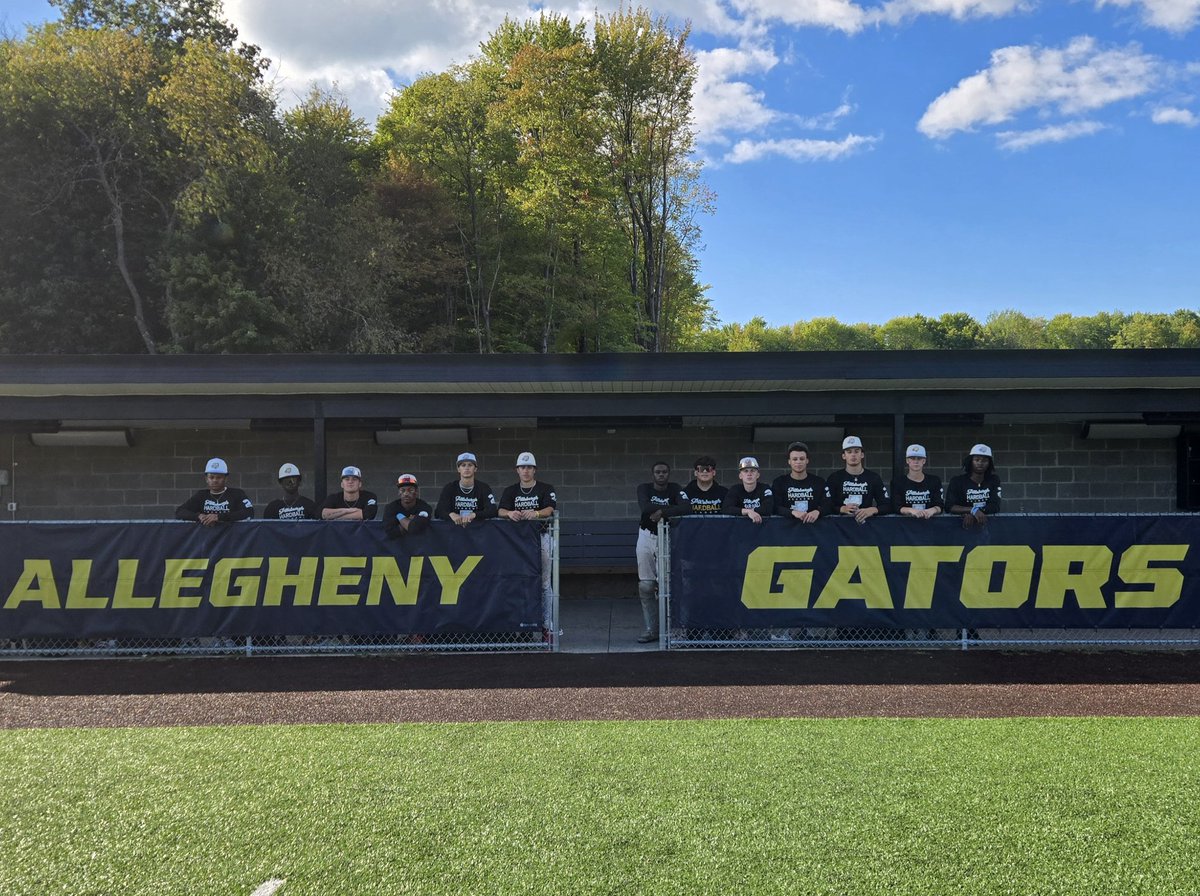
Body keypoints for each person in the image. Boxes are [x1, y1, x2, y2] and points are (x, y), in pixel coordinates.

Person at [498, 451, 558, 635]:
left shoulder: (545, 488)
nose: (526, 470)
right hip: (516, 542)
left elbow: (550, 509)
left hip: (541, 538)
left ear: (534, 470)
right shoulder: (511, 490)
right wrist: (509, 513)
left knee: (544, 582)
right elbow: (500, 510)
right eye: (522, 467)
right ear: (517, 470)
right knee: (518, 582)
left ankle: (547, 626)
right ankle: (522, 625)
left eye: (529, 467)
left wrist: (536, 513)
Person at [635, 461, 688, 643]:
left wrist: (661, 513)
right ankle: (652, 629)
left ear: (669, 474)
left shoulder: (675, 488)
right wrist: (668, 511)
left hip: (667, 538)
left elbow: (686, 508)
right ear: (653, 474)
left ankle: (671, 629)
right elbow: (645, 507)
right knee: (646, 585)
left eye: (664, 472)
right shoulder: (644, 488)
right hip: (646, 535)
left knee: (667, 585)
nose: (661, 474)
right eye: (658, 472)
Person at [824, 436, 890, 523]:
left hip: (866, 526)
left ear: (862, 454)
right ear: (844, 456)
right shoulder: (835, 478)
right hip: (840, 528)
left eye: (856, 451)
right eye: (849, 452)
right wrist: (842, 509)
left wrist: (872, 510)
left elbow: (887, 505)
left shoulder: (873, 478)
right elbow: (826, 505)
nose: (853, 455)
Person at [175, 457, 253, 525]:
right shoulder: (201, 495)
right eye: (211, 477)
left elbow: (249, 512)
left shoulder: (237, 494)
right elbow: (179, 512)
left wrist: (218, 517)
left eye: (219, 477)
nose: (215, 480)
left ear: (226, 478)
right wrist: (199, 516)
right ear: (206, 479)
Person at [946, 443, 1003, 529]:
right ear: (970, 461)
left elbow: (995, 506)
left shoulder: (994, 480)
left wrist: (975, 513)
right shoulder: (957, 481)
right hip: (960, 527)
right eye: (977, 460)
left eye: (984, 460)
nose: (980, 463)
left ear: (989, 463)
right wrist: (972, 510)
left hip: (987, 527)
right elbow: (949, 506)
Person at [435, 452, 498, 526]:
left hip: (478, 532)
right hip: (454, 531)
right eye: (463, 465)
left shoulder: (484, 487)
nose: (466, 468)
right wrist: (451, 514)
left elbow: (493, 511)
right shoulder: (450, 488)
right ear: (458, 469)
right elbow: (438, 511)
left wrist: (474, 515)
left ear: (475, 469)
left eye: (470, 465)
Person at [772, 441, 825, 524]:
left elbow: (828, 504)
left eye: (802, 459)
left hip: (814, 530)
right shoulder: (779, 482)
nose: (798, 462)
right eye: (795, 459)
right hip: (787, 530)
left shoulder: (819, 482)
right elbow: (775, 507)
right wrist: (792, 512)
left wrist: (818, 512)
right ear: (789, 461)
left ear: (807, 460)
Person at [890, 445, 943, 520]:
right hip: (905, 526)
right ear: (907, 460)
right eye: (912, 458)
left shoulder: (934, 481)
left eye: (919, 458)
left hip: (929, 524)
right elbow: (895, 506)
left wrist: (933, 510)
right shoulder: (898, 482)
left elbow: (940, 505)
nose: (916, 461)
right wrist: (910, 510)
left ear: (924, 461)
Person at [722, 456, 775, 522]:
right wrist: (748, 512)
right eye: (745, 471)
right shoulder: (735, 489)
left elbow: (768, 508)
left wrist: (750, 512)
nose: (749, 474)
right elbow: (726, 508)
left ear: (758, 475)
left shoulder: (765, 488)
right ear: (740, 476)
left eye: (752, 471)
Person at [383, 473, 433, 538]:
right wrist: (408, 520)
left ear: (416, 492)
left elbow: (414, 529)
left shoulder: (425, 507)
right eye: (402, 490)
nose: (406, 493)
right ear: (398, 493)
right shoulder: (390, 507)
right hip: (398, 547)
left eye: (411, 490)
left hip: (420, 546)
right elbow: (390, 533)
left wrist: (399, 518)